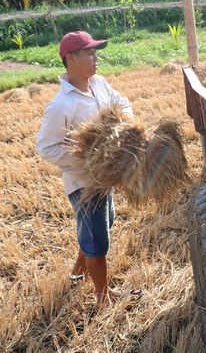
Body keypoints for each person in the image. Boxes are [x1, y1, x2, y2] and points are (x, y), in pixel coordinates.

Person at [36, 31, 143, 305]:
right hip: (84, 183)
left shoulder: (99, 84)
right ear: (71, 58)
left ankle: (78, 270)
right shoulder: (62, 105)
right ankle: (103, 296)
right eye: (90, 53)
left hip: (105, 178)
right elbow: (46, 147)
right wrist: (89, 161)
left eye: (96, 52)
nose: (96, 58)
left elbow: (122, 102)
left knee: (105, 223)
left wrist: (126, 123)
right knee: (98, 240)